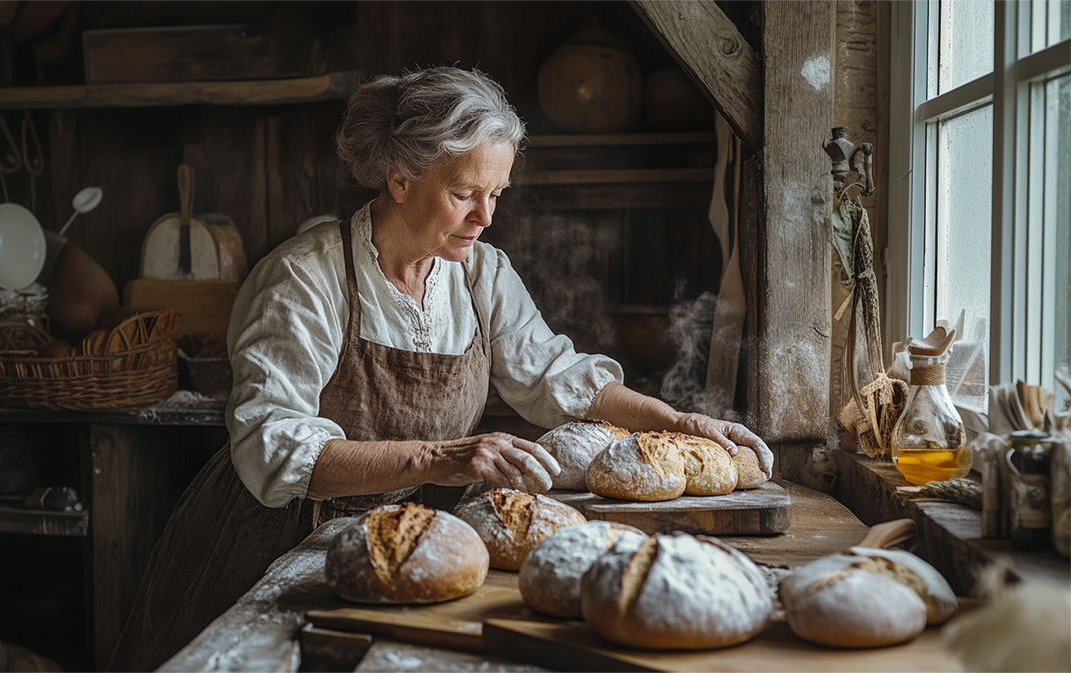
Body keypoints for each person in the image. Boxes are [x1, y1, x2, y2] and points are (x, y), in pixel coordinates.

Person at [107, 66, 773, 671]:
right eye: (464, 194)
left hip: (389, 549)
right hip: (268, 542)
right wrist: (440, 456)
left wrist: (678, 419)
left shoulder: (480, 274)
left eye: (497, 194)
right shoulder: (304, 279)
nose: (486, 218)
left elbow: (557, 376)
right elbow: (273, 449)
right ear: (399, 179)